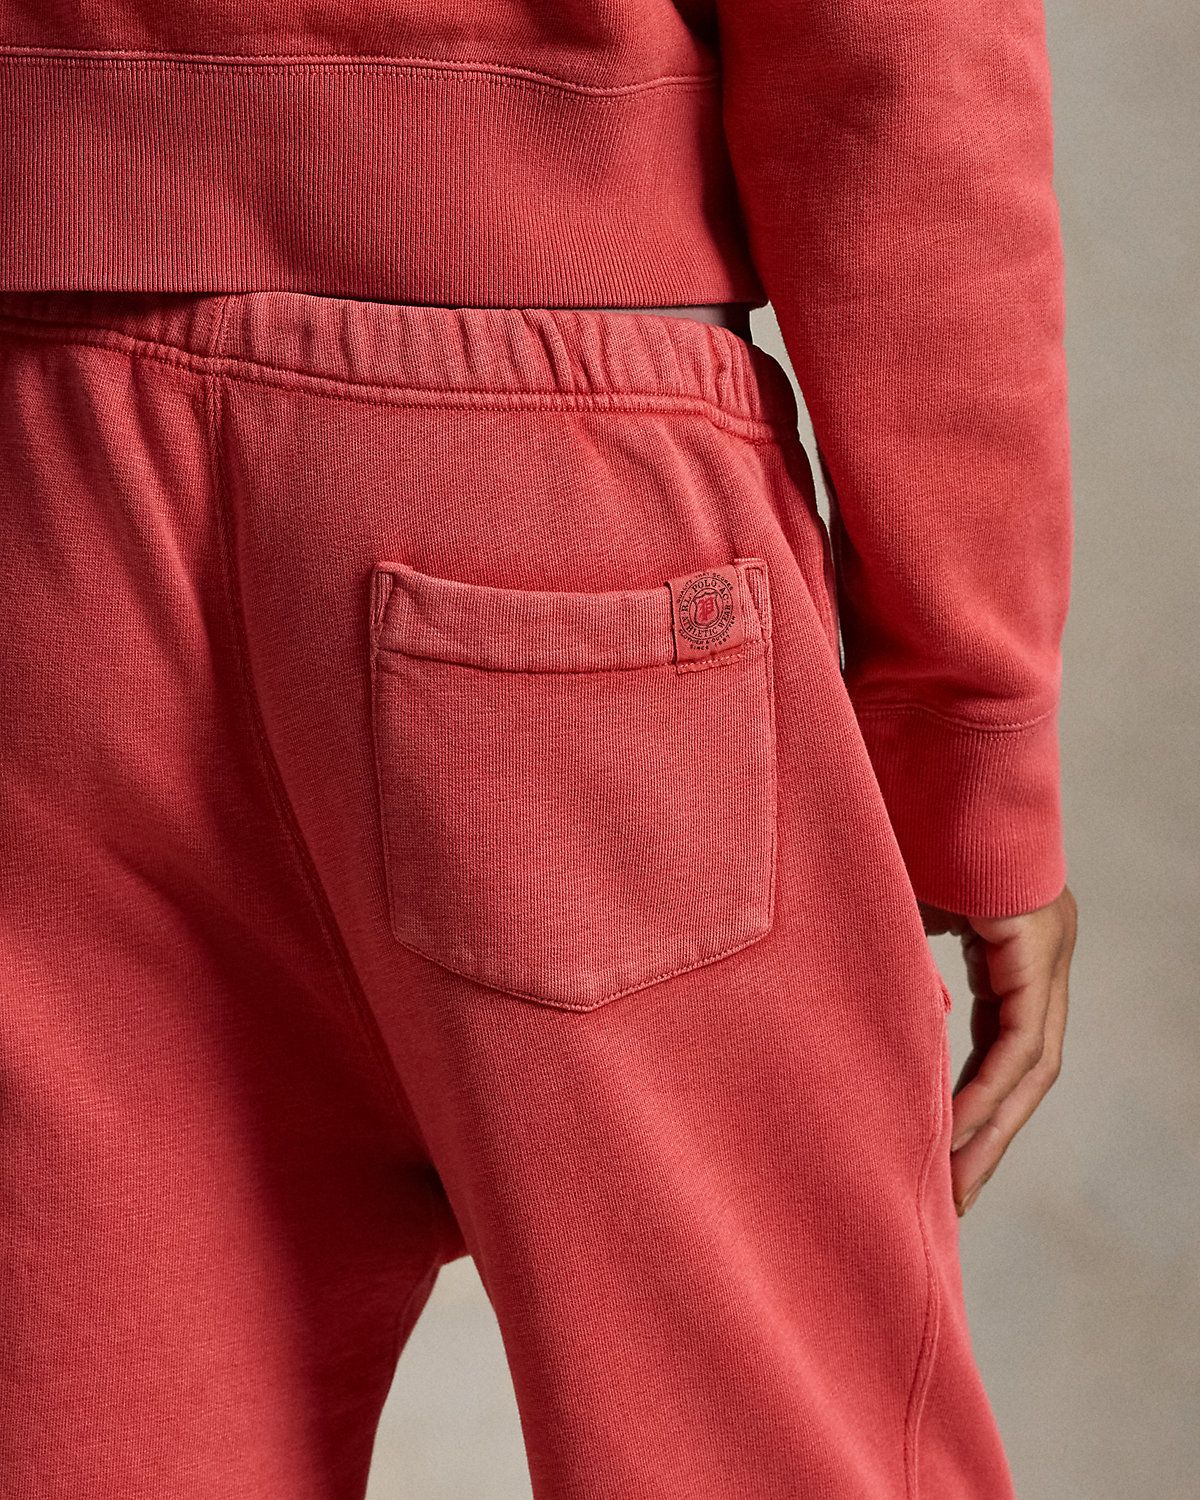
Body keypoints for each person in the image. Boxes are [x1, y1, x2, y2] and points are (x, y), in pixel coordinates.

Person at [0, 1, 1076, 1496]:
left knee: (91, 1424)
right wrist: (975, 744)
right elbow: (898, 63)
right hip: (553, 478)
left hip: (41, 487)